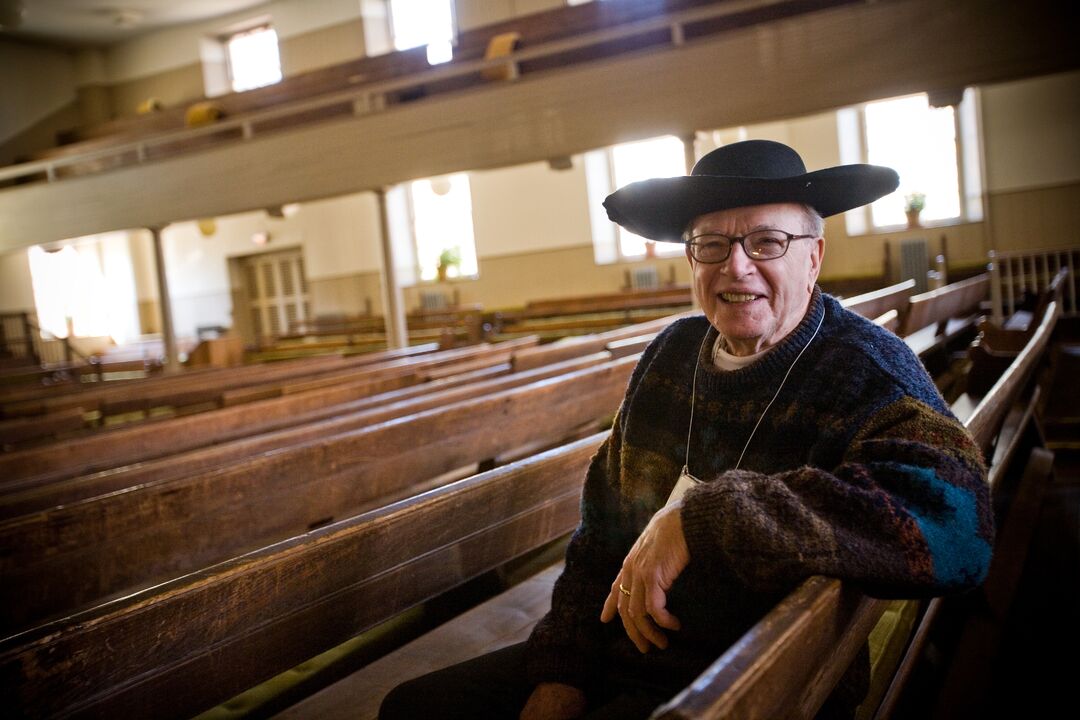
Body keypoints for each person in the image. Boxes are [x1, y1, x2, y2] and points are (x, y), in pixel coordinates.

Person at [380, 140, 993, 720]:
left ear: (814, 257)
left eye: (767, 242)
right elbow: (602, 533)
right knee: (413, 707)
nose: (737, 266)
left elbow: (960, 525)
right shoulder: (672, 354)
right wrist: (562, 671)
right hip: (620, 646)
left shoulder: (863, 367)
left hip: (755, 673)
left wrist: (704, 518)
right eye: (711, 245)